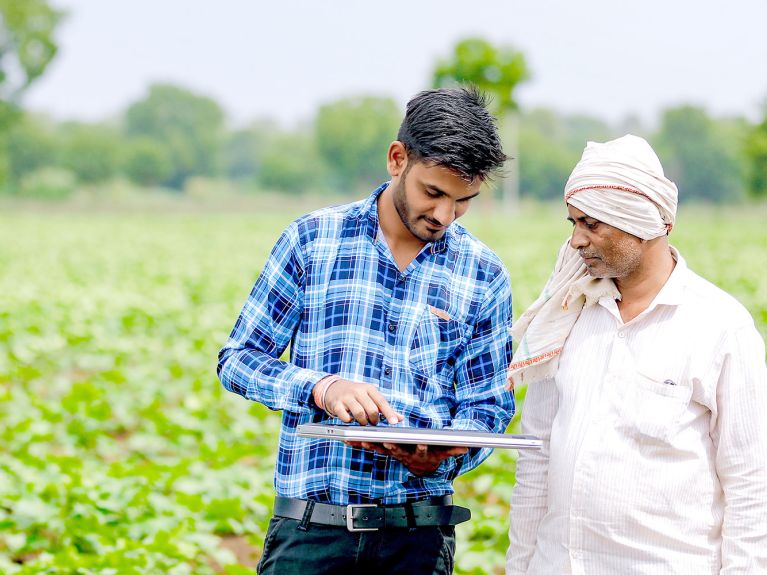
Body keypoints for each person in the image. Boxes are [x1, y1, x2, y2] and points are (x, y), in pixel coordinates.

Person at [218, 87, 515, 575]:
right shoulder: (312, 240)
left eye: (464, 202)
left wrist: (440, 457)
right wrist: (322, 387)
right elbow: (239, 359)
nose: (444, 215)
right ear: (398, 159)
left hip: (419, 538)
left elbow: (489, 405)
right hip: (312, 532)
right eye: (434, 193)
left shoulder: (483, 272)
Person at [505, 134, 767, 574]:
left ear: (643, 223)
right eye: (572, 222)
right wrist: (520, 566)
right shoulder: (570, 313)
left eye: (592, 224)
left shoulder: (720, 327)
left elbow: (750, 483)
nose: (575, 241)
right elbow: (538, 456)